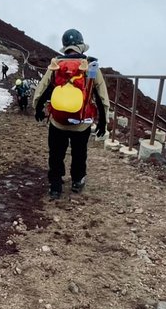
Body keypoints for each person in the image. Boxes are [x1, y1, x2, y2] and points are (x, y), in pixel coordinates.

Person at [33, 28, 110, 199]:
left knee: (56, 153)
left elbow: (42, 89)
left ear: (64, 47)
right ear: (81, 46)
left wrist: (37, 108)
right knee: (79, 152)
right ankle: (77, 181)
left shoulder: (56, 65)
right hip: (81, 123)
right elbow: (102, 97)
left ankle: (55, 186)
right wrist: (104, 122)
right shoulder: (91, 66)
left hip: (58, 121)